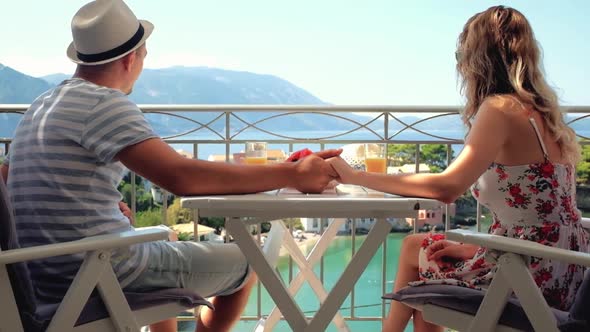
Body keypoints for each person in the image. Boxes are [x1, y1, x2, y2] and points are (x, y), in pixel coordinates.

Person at [0, 1, 340, 332]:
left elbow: (13, 178)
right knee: (250, 264)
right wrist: (291, 173)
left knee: (170, 235)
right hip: (94, 271)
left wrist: (94, 207)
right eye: (144, 57)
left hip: (43, 273)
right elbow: (182, 177)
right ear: (131, 58)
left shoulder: (42, 106)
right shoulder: (102, 103)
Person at [327, 5, 589, 332]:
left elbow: (446, 187)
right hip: (566, 264)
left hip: (531, 275)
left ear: (477, 59)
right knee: (429, 265)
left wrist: (355, 176)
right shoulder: (543, 113)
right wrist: (472, 248)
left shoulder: (500, 108)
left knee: (413, 252)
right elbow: (542, 220)